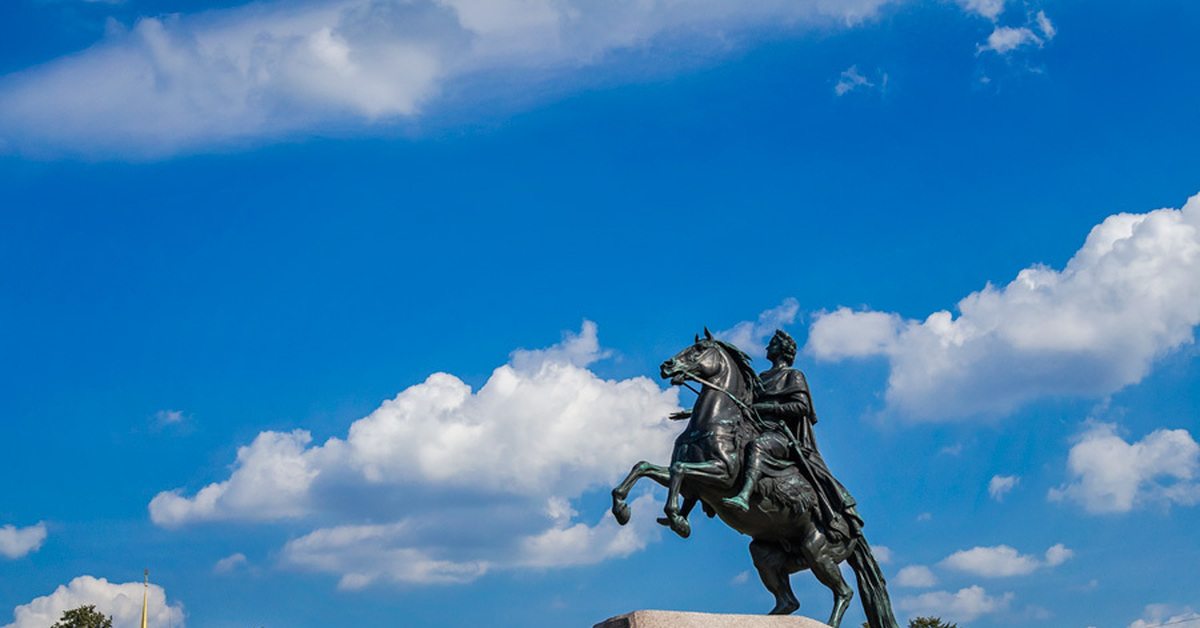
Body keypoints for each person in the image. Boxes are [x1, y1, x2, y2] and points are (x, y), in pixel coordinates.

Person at [722, 329, 863, 542]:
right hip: (756, 429)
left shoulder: (793, 375)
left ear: (783, 349)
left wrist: (770, 407)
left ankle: (744, 494)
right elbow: (744, 407)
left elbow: (801, 406)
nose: (767, 348)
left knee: (757, 447)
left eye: (772, 344)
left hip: (780, 435)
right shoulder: (761, 378)